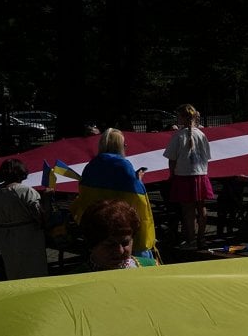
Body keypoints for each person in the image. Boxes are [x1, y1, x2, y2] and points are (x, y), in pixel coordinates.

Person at [72, 128, 158, 261]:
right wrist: (138, 181)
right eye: (124, 144)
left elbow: (84, 198)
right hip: (123, 224)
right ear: (119, 146)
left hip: (99, 226)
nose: (126, 147)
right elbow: (138, 199)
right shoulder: (123, 166)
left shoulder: (91, 166)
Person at [0, 158, 47, 279]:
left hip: (5, 235)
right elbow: (39, 215)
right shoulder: (25, 191)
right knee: (33, 268)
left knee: (13, 268)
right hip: (27, 234)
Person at [163, 103, 213, 247]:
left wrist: (171, 174)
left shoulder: (178, 136)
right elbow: (207, 156)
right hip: (200, 174)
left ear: (183, 118)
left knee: (188, 210)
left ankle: (191, 239)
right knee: (201, 208)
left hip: (184, 175)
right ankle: (201, 238)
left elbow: (172, 159)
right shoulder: (202, 135)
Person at [75, 199, 158, 271]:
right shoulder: (73, 279)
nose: (120, 251)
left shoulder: (151, 267)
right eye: (110, 244)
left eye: (125, 243)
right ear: (92, 244)